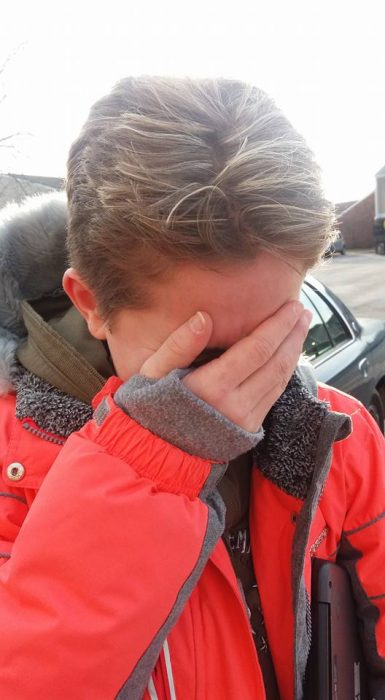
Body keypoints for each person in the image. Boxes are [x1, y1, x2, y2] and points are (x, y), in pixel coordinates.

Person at [0, 77, 384, 700]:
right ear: (91, 304)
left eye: (275, 336)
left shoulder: (338, 434)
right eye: (202, 352)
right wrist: (149, 465)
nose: (250, 381)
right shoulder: (12, 468)